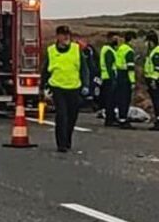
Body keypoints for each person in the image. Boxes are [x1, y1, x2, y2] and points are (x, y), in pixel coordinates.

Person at [43, 25, 88, 153]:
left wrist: (85, 85)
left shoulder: (76, 49)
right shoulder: (51, 51)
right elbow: (45, 70)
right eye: (63, 34)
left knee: (72, 116)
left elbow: (84, 69)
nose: (66, 37)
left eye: (68, 34)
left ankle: (67, 139)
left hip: (74, 88)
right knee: (62, 115)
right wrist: (43, 87)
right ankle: (61, 144)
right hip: (57, 88)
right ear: (58, 36)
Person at [114, 31, 137, 128]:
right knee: (125, 99)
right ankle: (123, 120)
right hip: (125, 76)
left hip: (119, 75)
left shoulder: (121, 48)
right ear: (131, 39)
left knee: (120, 98)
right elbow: (130, 68)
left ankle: (121, 118)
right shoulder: (129, 51)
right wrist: (132, 81)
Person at [98, 32, 118, 126]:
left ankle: (110, 118)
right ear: (109, 39)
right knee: (110, 100)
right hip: (109, 78)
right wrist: (113, 78)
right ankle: (110, 119)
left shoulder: (107, 49)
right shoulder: (108, 50)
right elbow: (109, 65)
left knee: (110, 99)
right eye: (114, 38)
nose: (116, 40)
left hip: (106, 77)